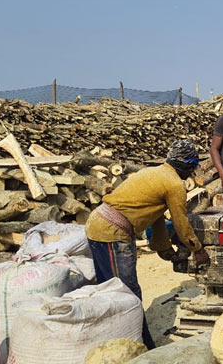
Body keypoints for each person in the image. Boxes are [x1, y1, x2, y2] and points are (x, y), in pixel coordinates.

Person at [84, 139, 204, 349]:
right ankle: (140, 345)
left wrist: (163, 248)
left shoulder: (155, 172)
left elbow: (155, 215)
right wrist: (197, 249)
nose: (192, 174)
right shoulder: (175, 184)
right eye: (192, 168)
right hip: (110, 231)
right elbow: (181, 222)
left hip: (100, 224)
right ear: (186, 165)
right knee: (126, 293)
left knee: (109, 289)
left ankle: (117, 339)